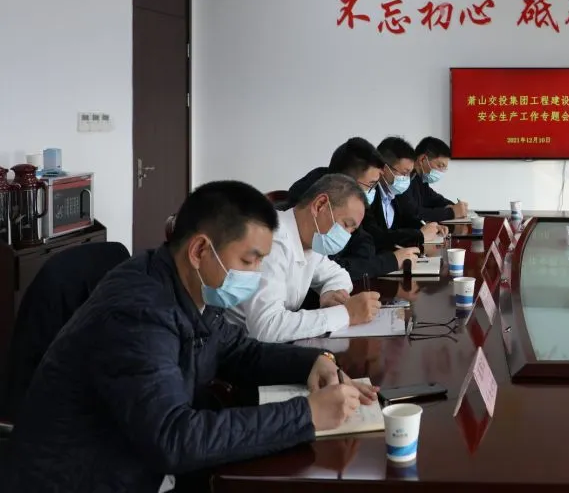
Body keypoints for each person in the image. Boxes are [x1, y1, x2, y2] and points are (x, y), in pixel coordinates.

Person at [5, 180, 377, 493]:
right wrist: (306, 415)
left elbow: (235, 348)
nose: (256, 274)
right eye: (248, 261)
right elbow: (175, 438)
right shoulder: (139, 313)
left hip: (138, 466)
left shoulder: (189, 285)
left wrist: (313, 362)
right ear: (200, 250)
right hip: (85, 479)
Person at [227, 174, 383, 343]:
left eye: (352, 230)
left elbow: (339, 275)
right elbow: (266, 327)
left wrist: (330, 293)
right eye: (346, 225)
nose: (347, 236)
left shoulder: (310, 242)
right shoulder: (271, 241)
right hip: (233, 346)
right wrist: (346, 314)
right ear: (320, 205)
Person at [286, 137, 421, 281]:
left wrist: (361, 264)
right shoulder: (314, 212)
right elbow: (333, 269)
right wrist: (389, 262)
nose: (374, 191)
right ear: (346, 182)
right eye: (371, 184)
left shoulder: (348, 206)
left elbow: (365, 243)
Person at [363, 136, 445, 251]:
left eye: (409, 174)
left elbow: (408, 218)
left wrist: (429, 227)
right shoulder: (368, 196)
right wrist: (419, 235)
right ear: (385, 169)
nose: (407, 179)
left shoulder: (396, 193)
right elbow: (376, 237)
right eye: (404, 173)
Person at [399, 136, 468, 223]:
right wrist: (451, 212)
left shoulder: (419, 178)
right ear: (422, 159)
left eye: (444, 168)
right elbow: (413, 213)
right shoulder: (403, 179)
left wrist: (455, 206)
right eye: (440, 165)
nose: (441, 171)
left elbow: (434, 199)